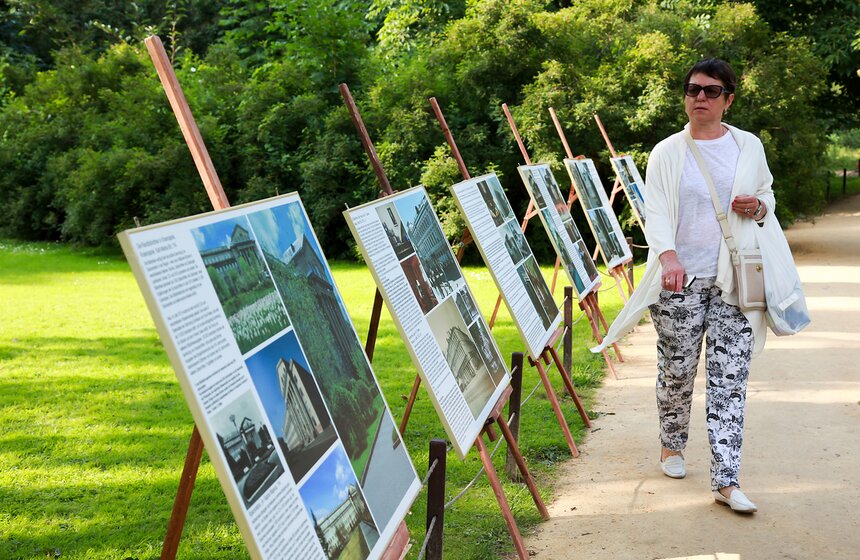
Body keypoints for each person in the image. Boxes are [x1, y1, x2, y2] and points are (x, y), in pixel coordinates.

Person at [593, 58, 774, 514]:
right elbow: (655, 210)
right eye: (693, 90)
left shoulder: (748, 146)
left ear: (728, 99)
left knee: (730, 380)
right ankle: (672, 445)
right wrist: (667, 255)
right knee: (677, 371)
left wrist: (756, 205)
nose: (700, 98)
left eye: (712, 92)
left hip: (734, 280)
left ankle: (726, 480)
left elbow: (768, 198)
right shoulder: (667, 151)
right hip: (681, 280)